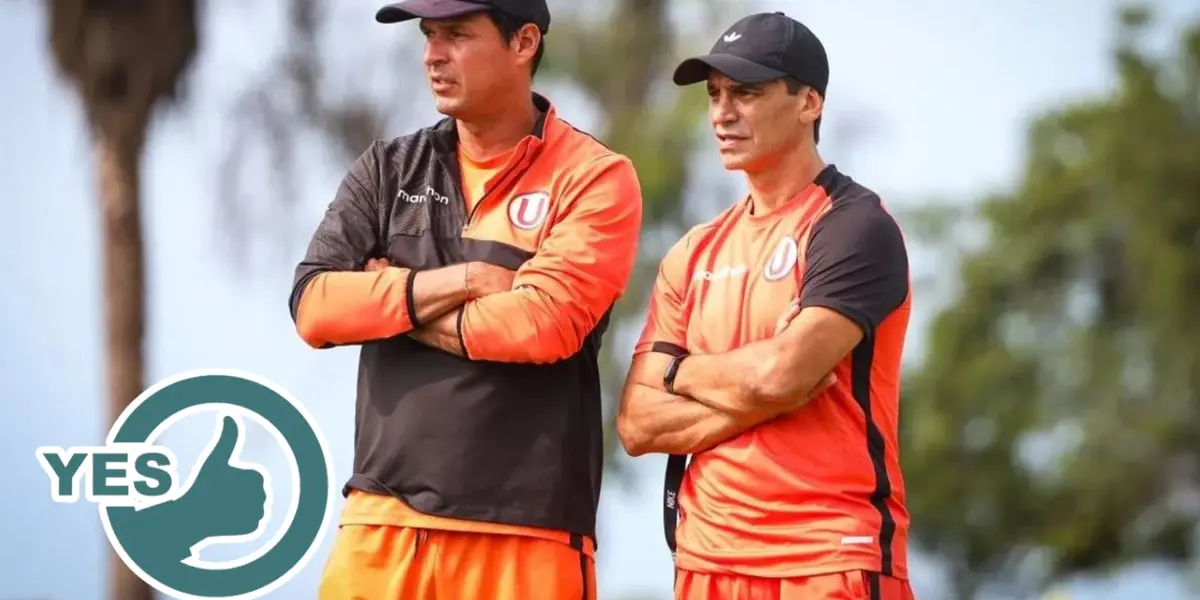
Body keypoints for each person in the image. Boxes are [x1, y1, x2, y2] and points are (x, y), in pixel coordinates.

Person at [288, 1, 643, 598]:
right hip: (381, 527)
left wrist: (390, 306)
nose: (432, 55)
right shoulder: (386, 170)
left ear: (524, 41)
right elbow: (315, 306)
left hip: (526, 537)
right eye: (428, 35)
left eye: (456, 34)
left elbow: (540, 324)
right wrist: (468, 280)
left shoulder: (594, 176)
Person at [617, 11, 916, 600]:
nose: (723, 113)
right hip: (705, 560)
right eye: (715, 95)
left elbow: (783, 373)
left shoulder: (854, 226)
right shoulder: (693, 250)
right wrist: (749, 395)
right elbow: (636, 423)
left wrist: (679, 374)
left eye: (747, 93)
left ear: (809, 103)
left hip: (827, 556)